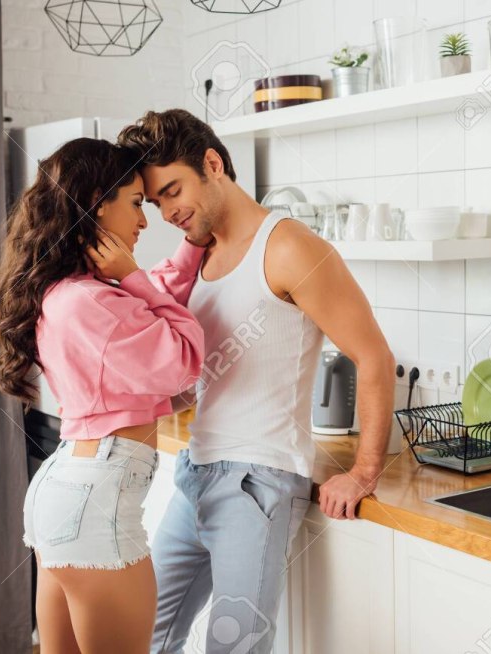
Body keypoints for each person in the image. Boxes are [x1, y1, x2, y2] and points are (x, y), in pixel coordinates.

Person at [117, 109, 396, 653]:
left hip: (257, 483)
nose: (168, 212)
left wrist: (364, 472)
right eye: (155, 202)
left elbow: (374, 357)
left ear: (212, 164)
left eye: (173, 191)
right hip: (196, 473)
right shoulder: (200, 255)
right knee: (146, 638)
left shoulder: (289, 247)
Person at [0, 138, 205, 653]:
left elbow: (155, 298)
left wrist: (193, 243)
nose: (144, 220)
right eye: (136, 202)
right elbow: (185, 357)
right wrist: (134, 276)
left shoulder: (70, 291)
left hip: (67, 490)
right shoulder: (95, 300)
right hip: (96, 500)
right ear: (96, 202)